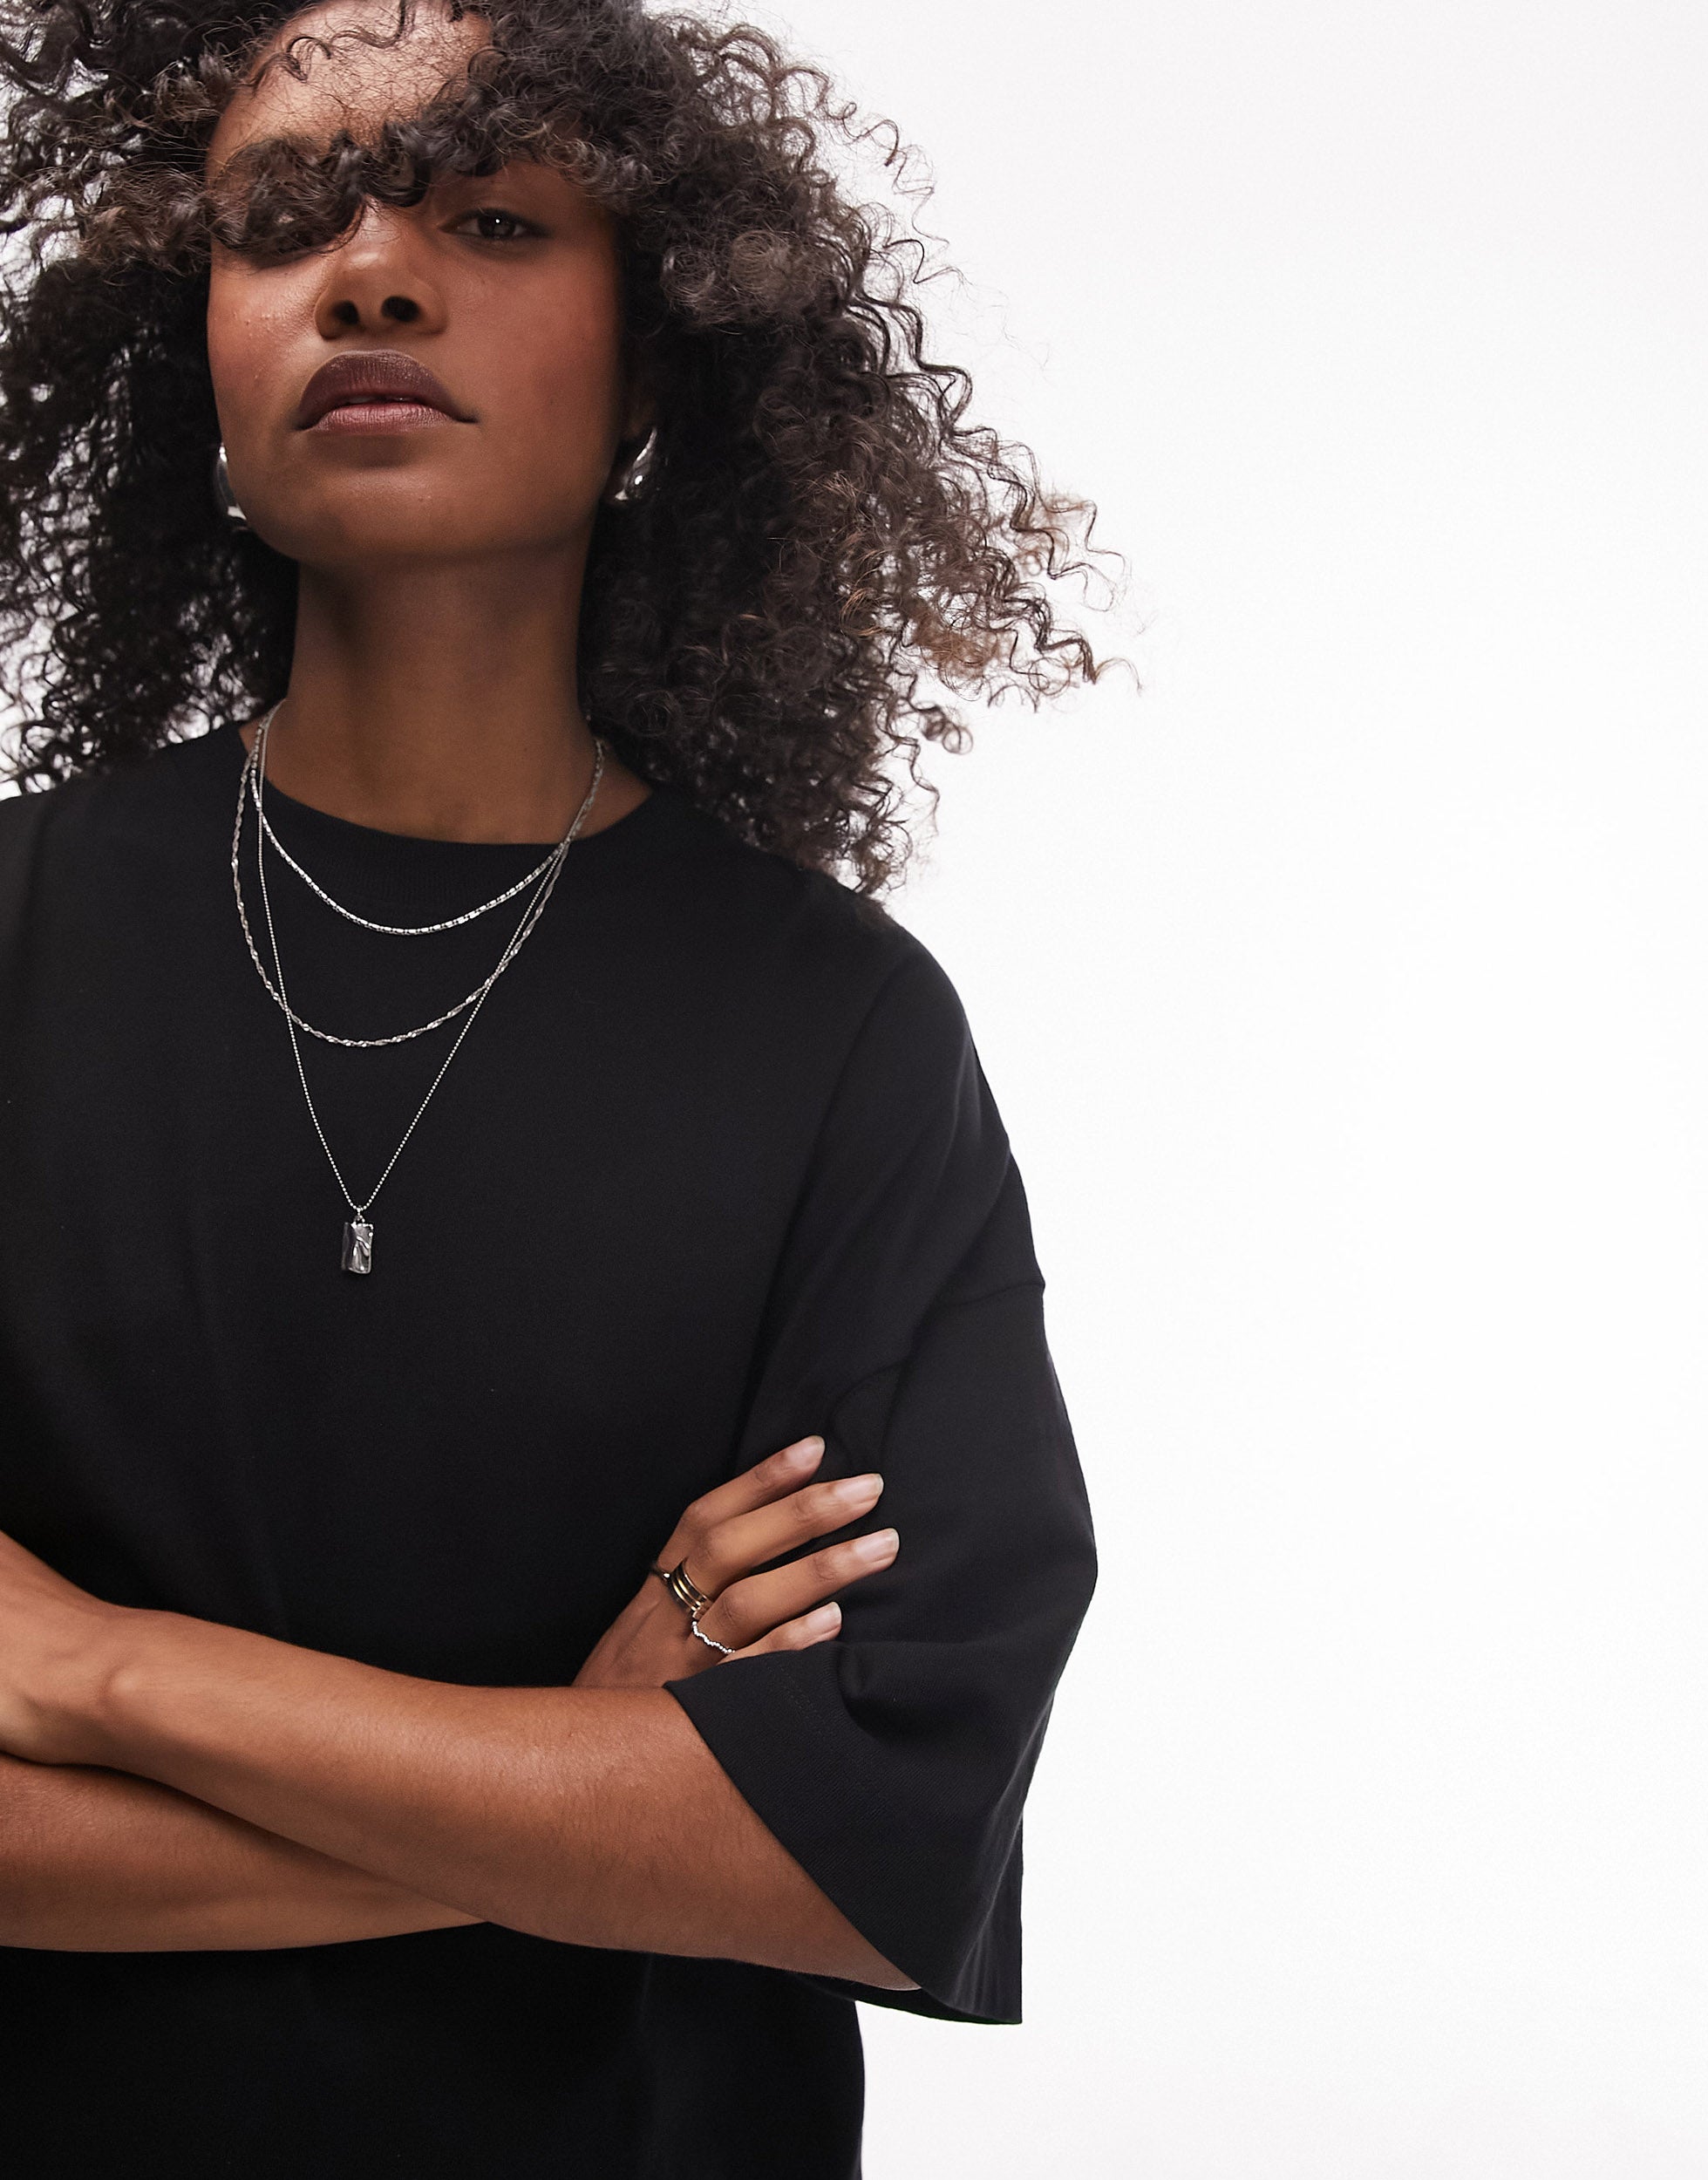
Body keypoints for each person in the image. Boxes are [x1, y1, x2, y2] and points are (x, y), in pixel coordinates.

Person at [0, 0, 1106, 2171]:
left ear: (654, 360)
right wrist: (576, 1776)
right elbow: (723, 1825)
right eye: (280, 220)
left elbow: (851, 1848)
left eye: (491, 218)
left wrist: (97, 1671)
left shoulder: (834, 1033)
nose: (371, 274)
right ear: (189, 341)